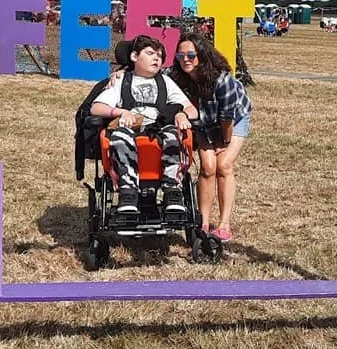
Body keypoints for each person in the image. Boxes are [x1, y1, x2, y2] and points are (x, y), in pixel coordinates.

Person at [89, 35, 198, 215]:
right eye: (150, 53)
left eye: (160, 55)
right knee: (120, 136)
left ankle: (172, 191)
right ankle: (128, 193)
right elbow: (96, 107)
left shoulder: (166, 82)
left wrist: (182, 114)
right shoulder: (121, 81)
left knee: (173, 135)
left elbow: (191, 109)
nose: (157, 58)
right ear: (134, 57)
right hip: (130, 129)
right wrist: (121, 112)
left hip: (159, 128)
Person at [170, 32, 252, 242]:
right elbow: (153, 73)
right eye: (180, 56)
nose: (185, 60)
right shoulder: (177, 77)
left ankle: (224, 224)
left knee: (223, 165)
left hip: (233, 119)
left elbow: (227, 117)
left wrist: (223, 142)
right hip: (204, 122)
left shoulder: (222, 80)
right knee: (207, 167)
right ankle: (203, 221)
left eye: (190, 55)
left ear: (202, 55)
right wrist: (122, 71)